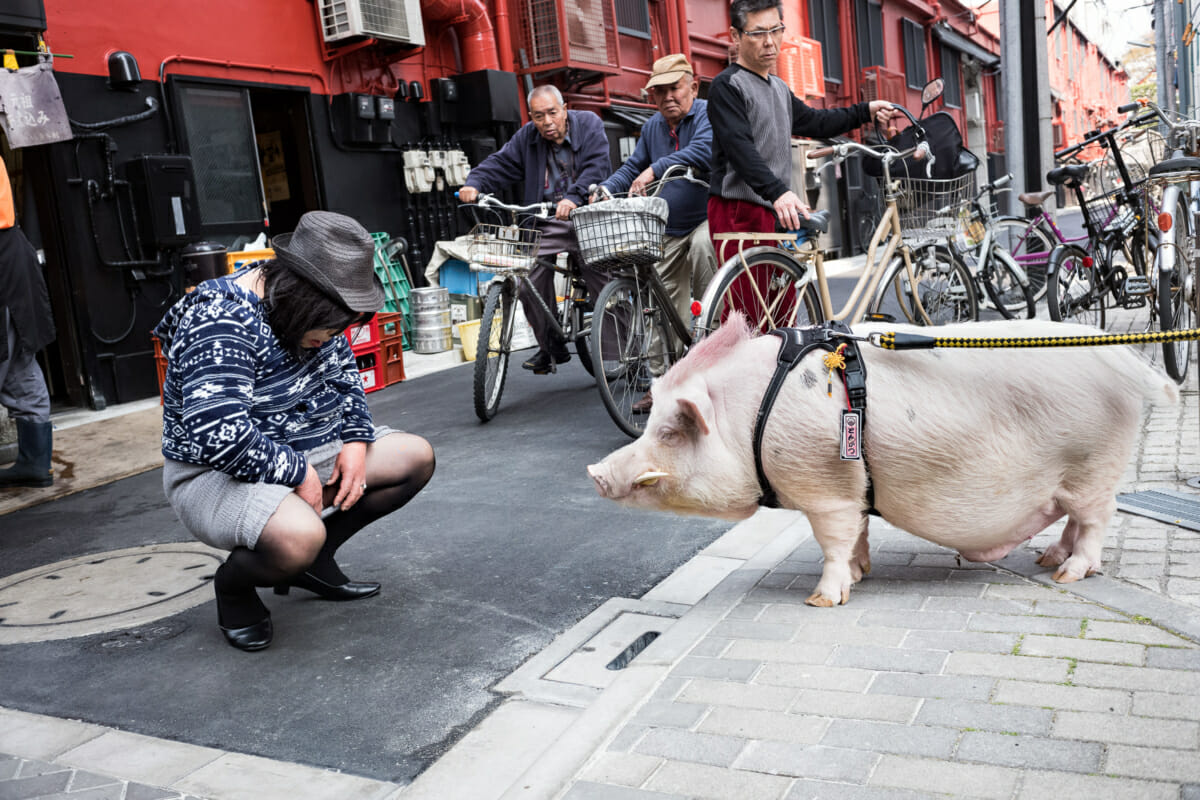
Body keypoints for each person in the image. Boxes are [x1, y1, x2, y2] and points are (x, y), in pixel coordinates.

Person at [154, 211, 435, 652]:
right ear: (301, 294)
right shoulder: (221, 318)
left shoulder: (312, 309)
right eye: (331, 326)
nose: (336, 334)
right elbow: (218, 431)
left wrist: (357, 442)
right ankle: (234, 586)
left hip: (304, 449)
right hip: (214, 475)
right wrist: (298, 472)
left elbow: (346, 383)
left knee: (413, 457)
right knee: (297, 537)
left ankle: (314, 563)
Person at [708, 0, 898, 255]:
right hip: (738, 208)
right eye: (758, 33)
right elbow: (739, 148)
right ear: (736, 36)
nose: (770, 41)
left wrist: (865, 110)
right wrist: (778, 192)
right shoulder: (728, 85)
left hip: (773, 206)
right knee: (748, 294)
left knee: (781, 292)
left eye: (776, 30)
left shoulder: (778, 87)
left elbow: (816, 122)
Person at [458, 85, 611, 374]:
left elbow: (598, 165)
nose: (547, 122)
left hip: (589, 218)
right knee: (527, 276)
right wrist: (474, 182)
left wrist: (575, 196)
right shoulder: (527, 137)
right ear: (531, 117)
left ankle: (628, 355)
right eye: (539, 116)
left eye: (553, 112)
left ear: (565, 108)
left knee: (604, 280)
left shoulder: (590, 123)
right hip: (544, 220)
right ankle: (551, 347)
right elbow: (500, 162)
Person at [597, 53, 718, 328]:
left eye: (674, 88)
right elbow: (633, 166)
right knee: (660, 298)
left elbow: (703, 150)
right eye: (659, 91)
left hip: (706, 217)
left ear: (694, 87)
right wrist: (606, 188)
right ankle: (664, 368)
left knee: (703, 248)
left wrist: (656, 168)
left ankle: (711, 332)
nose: (667, 97)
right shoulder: (653, 126)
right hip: (668, 226)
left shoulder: (707, 114)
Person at [0, 154, 55, 490]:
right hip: (13, 259)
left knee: (12, 360)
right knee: (19, 365)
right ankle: (35, 463)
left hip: (3, 265)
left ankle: (35, 462)